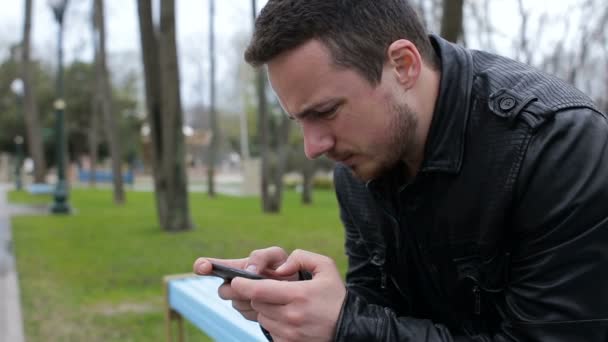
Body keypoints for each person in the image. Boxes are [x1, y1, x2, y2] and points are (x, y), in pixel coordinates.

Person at [194, 0, 608, 340]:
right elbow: (379, 309)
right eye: (300, 120)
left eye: (325, 112)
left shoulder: (554, 144)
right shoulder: (359, 165)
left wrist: (346, 325)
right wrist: (302, 306)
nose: (313, 147)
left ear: (403, 65)